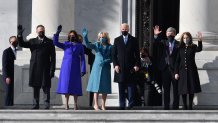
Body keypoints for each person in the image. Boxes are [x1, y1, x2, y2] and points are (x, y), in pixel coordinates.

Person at [17, 25, 56, 109]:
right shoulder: (32, 41)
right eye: (39, 31)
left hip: (46, 68)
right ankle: (35, 104)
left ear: (44, 31)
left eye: (42, 31)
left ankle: (46, 104)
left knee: (46, 86)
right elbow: (22, 44)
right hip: (35, 67)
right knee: (36, 86)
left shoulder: (49, 42)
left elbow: (53, 57)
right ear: (36, 31)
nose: (41, 32)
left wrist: (52, 70)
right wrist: (19, 35)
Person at [54, 25, 86, 110]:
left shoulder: (80, 46)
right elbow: (55, 43)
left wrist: (83, 69)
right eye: (70, 35)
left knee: (75, 85)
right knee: (66, 85)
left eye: (73, 35)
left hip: (75, 67)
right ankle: (66, 104)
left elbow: (82, 58)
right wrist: (57, 33)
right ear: (69, 37)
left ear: (76, 36)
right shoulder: (66, 44)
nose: (72, 37)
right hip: (66, 67)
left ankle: (75, 104)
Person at [82, 29, 112, 110]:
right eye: (101, 37)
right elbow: (88, 45)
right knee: (96, 86)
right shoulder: (96, 45)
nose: (102, 38)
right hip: (97, 67)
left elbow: (113, 58)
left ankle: (103, 105)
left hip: (105, 68)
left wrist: (107, 61)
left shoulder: (110, 46)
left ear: (106, 38)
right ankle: (95, 104)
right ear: (99, 38)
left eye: (104, 37)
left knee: (104, 87)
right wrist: (85, 37)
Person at [112, 23, 140, 110]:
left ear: (128, 29)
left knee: (131, 88)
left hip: (131, 68)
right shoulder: (117, 40)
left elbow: (137, 55)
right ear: (121, 29)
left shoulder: (134, 40)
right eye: (122, 29)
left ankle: (131, 105)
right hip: (120, 68)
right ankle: (122, 105)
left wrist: (137, 65)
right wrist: (115, 65)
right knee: (121, 88)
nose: (124, 30)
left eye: (125, 29)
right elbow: (113, 55)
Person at [153, 25, 180, 110]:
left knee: (176, 89)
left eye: (171, 33)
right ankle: (166, 106)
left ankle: (175, 106)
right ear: (166, 34)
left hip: (175, 70)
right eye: (168, 33)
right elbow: (156, 42)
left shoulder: (178, 44)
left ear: (174, 34)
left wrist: (177, 71)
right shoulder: (163, 42)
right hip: (165, 69)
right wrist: (156, 35)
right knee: (166, 89)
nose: (170, 34)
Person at [175, 32, 202, 110]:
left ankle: (190, 106)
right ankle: (185, 105)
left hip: (191, 70)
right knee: (183, 89)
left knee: (191, 88)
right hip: (182, 71)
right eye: (184, 38)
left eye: (187, 38)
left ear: (190, 38)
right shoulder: (180, 48)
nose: (185, 39)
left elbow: (199, 49)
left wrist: (200, 40)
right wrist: (176, 72)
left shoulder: (193, 46)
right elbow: (177, 61)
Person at [78, 34, 95, 107]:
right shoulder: (83, 48)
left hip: (88, 72)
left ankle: (90, 103)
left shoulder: (84, 48)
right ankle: (89, 103)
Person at [2, 36, 18, 106]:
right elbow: (4, 65)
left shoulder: (18, 52)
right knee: (8, 92)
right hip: (9, 76)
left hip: (16, 75)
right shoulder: (6, 51)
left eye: (16, 41)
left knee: (15, 93)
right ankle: (7, 108)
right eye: (13, 41)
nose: (15, 42)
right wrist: (6, 77)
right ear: (10, 42)